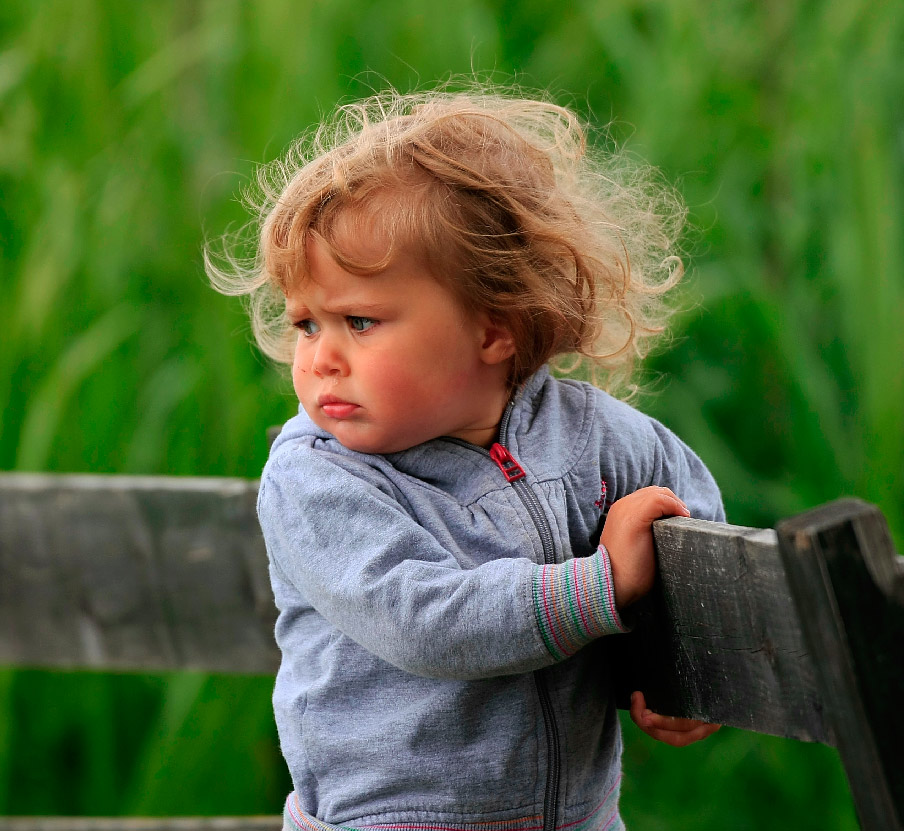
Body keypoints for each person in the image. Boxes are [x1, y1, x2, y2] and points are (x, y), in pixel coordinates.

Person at [207, 86, 724, 831]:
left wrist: (671, 663)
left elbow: (690, 517)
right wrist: (601, 585)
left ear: (493, 330)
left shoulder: (587, 434)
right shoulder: (316, 476)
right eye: (306, 323)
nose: (322, 358)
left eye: (360, 320)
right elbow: (421, 619)